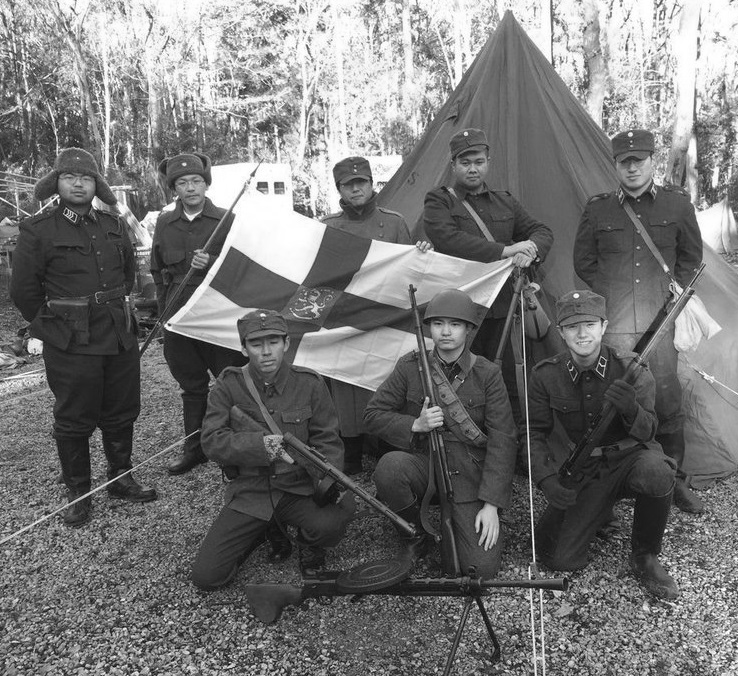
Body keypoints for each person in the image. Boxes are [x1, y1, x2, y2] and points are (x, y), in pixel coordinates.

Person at [10, 148, 157, 528]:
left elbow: (127, 275)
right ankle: (79, 492)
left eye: (86, 178)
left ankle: (120, 478)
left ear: (97, 185)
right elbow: (24, 291)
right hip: (71, 340)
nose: (78, 183)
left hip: (118, 333)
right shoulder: (39, 229)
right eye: (70, 177)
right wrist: (54, 328)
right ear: (56, 183)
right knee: (74, 416)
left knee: (122, 409)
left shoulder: (113, 224)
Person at [573, 129, 704, 514]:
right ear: (615, 165)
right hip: (613, 325)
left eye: (639, 161)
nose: (632, 168)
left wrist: (672, 297)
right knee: (611, 402)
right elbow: (584, 262)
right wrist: (610, 294)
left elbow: (690, 258)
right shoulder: (598, 209)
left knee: (666, 400)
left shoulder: (676, 205)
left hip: (660, 320)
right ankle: (609, 486)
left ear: (652, 161)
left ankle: (674, 481)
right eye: (624, 162)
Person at [527, 290, 678, 600]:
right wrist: (546, 479)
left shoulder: (631, 367)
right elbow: (533, 432)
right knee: (560, 559)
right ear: (561, 332)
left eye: (589, 324)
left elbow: (650, 430)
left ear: (604, 326)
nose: (582, 334)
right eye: (572, 327)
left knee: (657, 472)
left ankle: (645, 555)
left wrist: (631, 410)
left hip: (631, 456)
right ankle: (601, 511)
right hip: (587, 466)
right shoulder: (546, 375)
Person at [191, 309, 356, 589]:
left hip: (299, 487)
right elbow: (211, 441)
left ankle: (307, 542)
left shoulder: (310, 384)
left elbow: (328, 440)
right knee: (207, 578)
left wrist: (326, 481)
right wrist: (259, 446)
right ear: (244, 348)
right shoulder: (228, 385)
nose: (266, 352)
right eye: (256, 344)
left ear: (286, 343)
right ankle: (263, 529)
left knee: (340, 512)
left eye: (273, 342)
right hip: (252, 490)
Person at [363, 289, 517, 578]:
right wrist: (415, 424)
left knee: (479, 570)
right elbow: (372, 415)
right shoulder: (410, 367)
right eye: (438, 324)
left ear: (469, 329)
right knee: (390, 468)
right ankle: (414, 533)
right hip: (426, 464)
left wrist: (492, 505)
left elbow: (503, 440)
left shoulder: (487, 374)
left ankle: (462, 524)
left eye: (455, 324)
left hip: (470, 474)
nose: (446, 332)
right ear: (429, 328)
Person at [422, 128, 554, 420]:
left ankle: (512, 440)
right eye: (465, 162)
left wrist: (530, 251)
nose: (473, 168)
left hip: (505, 308)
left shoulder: (504, 201)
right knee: (460, 382)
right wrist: (507, 250)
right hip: (460, 312)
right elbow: (448, 239)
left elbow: (541, 231)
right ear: (453, 164)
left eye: (479, 162)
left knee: (510, 382)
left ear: (488, 162)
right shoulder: (439, 200)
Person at [321, 156, 432, 475]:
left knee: (386, 381)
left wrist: (421, 254)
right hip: (346, 318)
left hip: (386, 317)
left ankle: (387, 444)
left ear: (372, 185)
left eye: (362, 182)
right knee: (346, 386)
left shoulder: (394, 222)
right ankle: (351, 450)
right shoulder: (328, 226)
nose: (356, 189)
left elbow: (408, 271)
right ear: (339, 189)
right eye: (348, 184)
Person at [151, 153, 247, 476]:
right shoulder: (165, 223)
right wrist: (164, 316)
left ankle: (234, 453)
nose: (190, 188)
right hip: (179, 315)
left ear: (206, 185)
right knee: (192, 387)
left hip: (218, 316)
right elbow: (157, 271)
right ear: (174, 188)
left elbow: (241, 269)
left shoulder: (226, 219)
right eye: (182, 183)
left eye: (196, 181)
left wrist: (213, 263)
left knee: (230, 381)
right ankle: (195, 449)